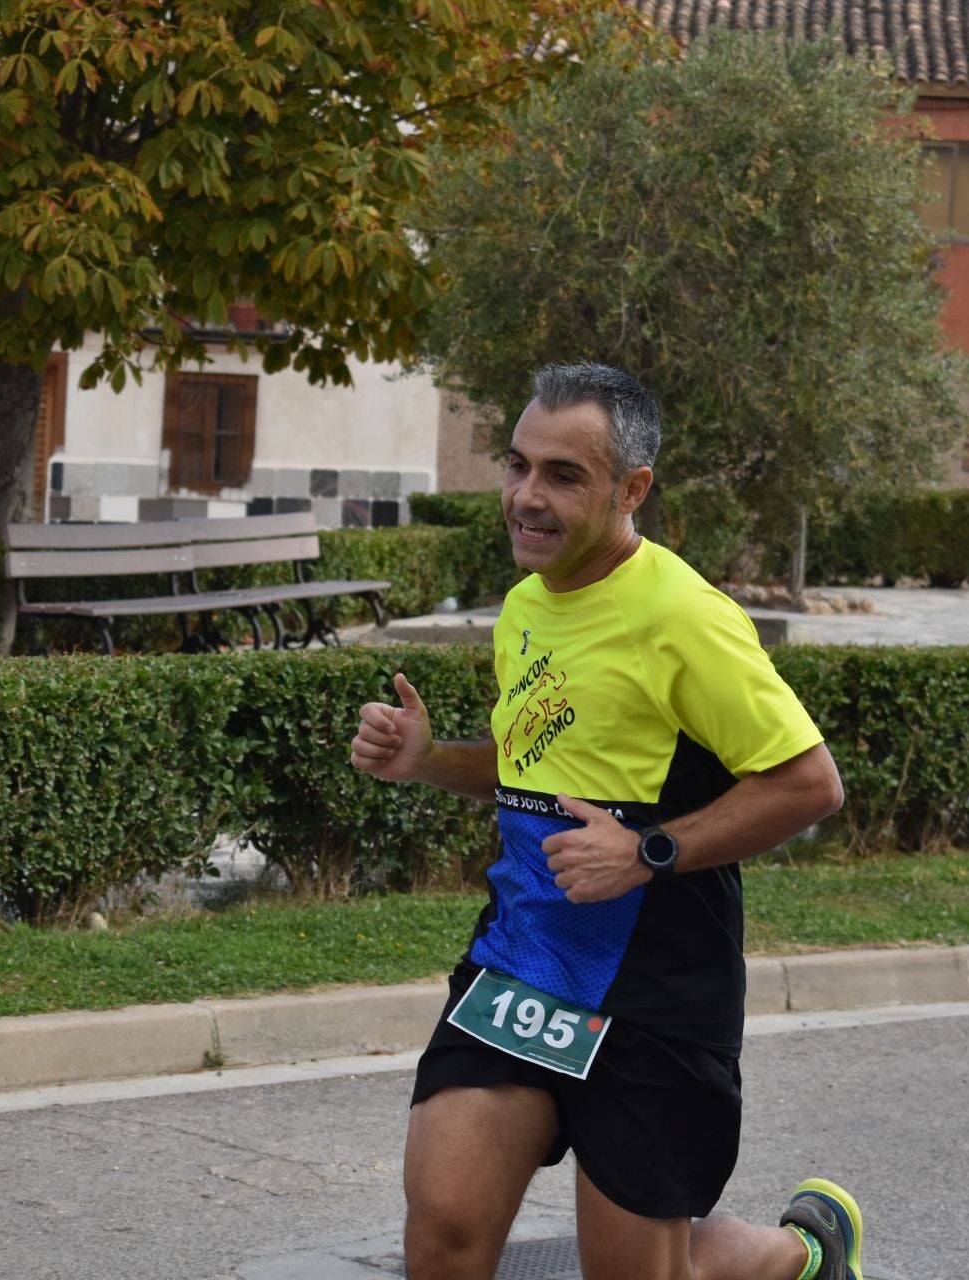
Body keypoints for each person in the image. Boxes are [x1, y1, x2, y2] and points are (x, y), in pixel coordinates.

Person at [349, 363, 860, 1280]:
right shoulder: (525, 608)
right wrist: (426, 760)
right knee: (444, 1240)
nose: (526, 498)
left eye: (562, 475)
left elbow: (809, 783)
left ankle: (802, 1250)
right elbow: (535, 767)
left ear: (632, 489)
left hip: (656, 988)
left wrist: (648, 851)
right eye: (518, 466)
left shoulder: (683, 617)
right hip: (527, 961)